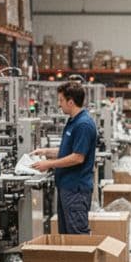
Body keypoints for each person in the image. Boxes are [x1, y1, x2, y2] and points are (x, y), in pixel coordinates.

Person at [31, 81, 98, 235]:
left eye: (61, 100)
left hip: (76, 190)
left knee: (77, 236)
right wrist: (45, 151)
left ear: (71, 102)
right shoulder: (73, 121)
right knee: (67, 236)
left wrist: (49, 164)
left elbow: (77, 157)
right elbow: (67, 151)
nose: (59, 104)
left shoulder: (83, 124)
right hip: (67, 188)